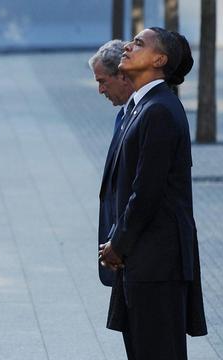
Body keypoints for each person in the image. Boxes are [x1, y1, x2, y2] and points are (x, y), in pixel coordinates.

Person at [98, 27, 207, 359]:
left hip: (157, 262)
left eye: (140, 43)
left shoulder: (159, 109)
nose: (129, 46)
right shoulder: (139, 106)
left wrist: (118, 244)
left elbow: (146, 192)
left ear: (160, 60)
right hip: (142, 260)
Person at [88, 40, 135, 287]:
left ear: (122, 75)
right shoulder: (124, 114)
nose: (100, 90)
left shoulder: (147, 113)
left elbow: (142, 192)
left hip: (131, 251)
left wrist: (118, 243)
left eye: (102, 81)